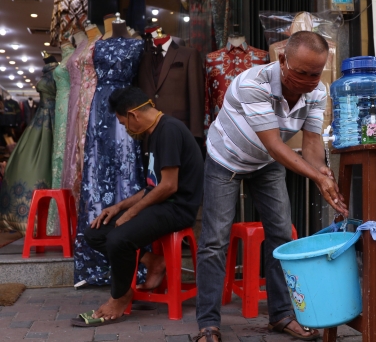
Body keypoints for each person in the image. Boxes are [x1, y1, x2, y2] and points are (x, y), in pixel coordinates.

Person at [195, 31, 349, 342]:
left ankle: (281, 315)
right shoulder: (253, 83)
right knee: (215, 241)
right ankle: (208, 324)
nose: (308, 81)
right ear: (282, 60)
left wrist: (324, 175)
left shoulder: (318, 92)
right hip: (225, 159)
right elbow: (277, 145)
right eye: (301, 72)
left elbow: (311, 143)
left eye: (315, 73)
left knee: (281, 234)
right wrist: (316, 177)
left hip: (264, 163)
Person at [73, 86, 204, 325]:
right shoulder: (153, 133)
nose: (126, 128)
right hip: (162, 203)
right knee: (95, 233)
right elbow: (152, 186)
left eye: (124, 124)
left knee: (118, 238)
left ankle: (120, 298)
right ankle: (153, 262)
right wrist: (119, 207)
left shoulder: (169, 130)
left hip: (178, 208)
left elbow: (169, 187)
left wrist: (132, 213)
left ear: (134, 115)